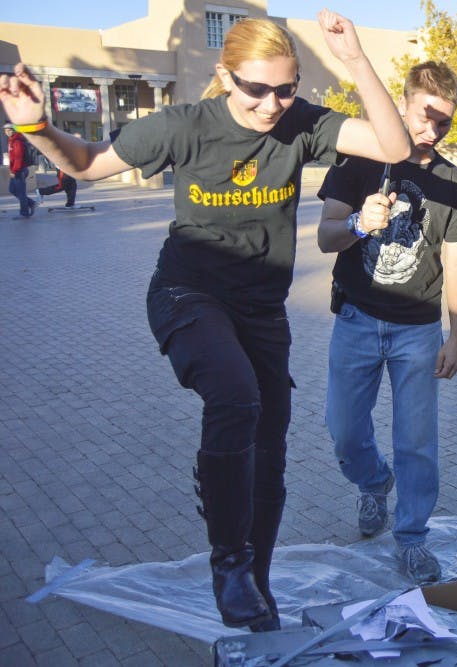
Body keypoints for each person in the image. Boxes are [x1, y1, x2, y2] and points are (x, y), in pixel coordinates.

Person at [0, 10, 409, 630]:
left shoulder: (300, 124)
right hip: (187, 294)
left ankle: (256, 588)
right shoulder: (184, 126)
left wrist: (354, 59)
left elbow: (394, 145)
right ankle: (228, 561)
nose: (272, 104)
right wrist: (35, 125)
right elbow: (84, 163)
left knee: (268, 458)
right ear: (224, 76)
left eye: (286, 88)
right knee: (235, 397)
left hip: (261, 311)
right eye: (255, 88)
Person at [316, 61, 457, 584]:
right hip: (357, 318)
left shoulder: (455, 183)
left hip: (417, 330)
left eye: (445, 123)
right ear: (403, 103)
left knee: (416, 441)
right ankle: (373, 483)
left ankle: (411, 537)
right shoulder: (358, 162)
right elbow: (325, 237)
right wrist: (357, 223)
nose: (431, 131)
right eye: (424, 117)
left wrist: (455, 336)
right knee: (343, 430)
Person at [4, 122, 37, 217]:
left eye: (9, 130)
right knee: (12, 189)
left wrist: (14, 171)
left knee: (21, 192)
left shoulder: (17, 141)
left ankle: (25, 213)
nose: (6, 132)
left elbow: (19, 158)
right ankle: (31, 203)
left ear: (14, 130)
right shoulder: (12, 140)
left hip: (19, 170)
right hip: (16, 170)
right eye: (5, 130)